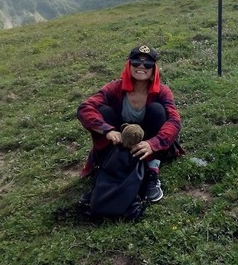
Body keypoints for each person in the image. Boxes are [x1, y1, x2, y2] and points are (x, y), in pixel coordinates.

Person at [77, 44, 183, 205]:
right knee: (103, 111)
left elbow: (174, 121)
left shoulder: (163, 91)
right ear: (129, 65)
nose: (141, 66)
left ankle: (151, 170)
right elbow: (85, 108)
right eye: (136, 61)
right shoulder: (115, 87)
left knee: (158, 110)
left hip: (147, 141)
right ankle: (106, 169)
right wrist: (107, 131)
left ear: (154, 69)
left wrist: (152, 144)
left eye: (148, 63)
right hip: (118, 140)